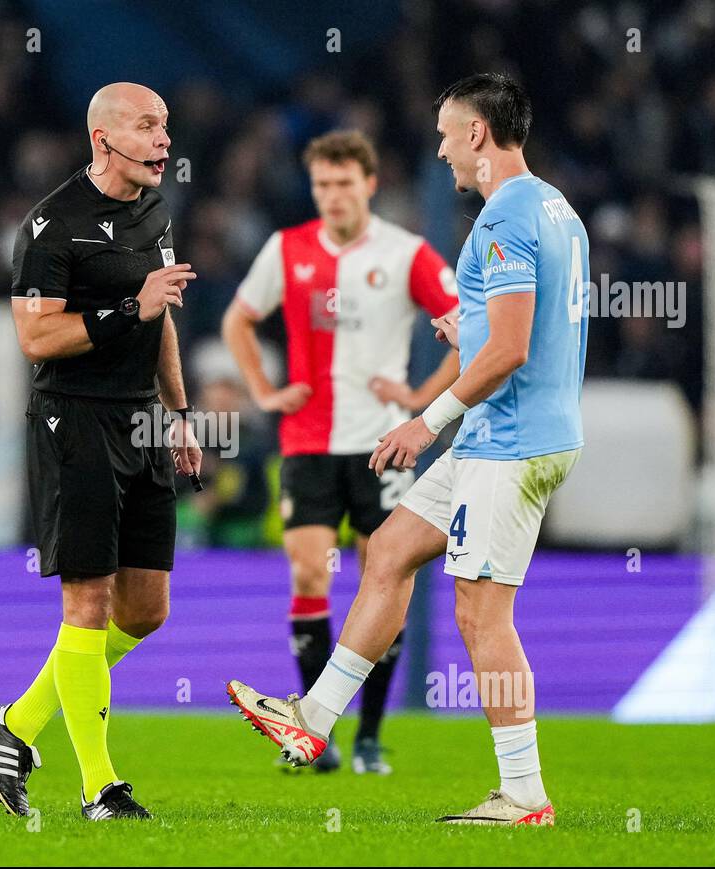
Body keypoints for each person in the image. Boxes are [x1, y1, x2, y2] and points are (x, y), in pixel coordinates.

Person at [228, 73, 589, 826]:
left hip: (511, 443)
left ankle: (524, 794)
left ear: (478, 135)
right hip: (503, 433)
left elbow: (514, 348)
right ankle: (313, 719)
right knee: (388, 550)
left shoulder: (503, 219)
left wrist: (428, 419)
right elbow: (521, 330)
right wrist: (468, 348)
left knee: (482, 615)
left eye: (447, 132)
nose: (440, 147)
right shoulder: (557, 208)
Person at [0, 82, 201, 821]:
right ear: (103, 138)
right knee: (89, 603)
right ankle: (100, 788)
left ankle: (15, 724)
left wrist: (180, 413)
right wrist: (128, 308)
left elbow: (160, 317)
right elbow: (36, 338)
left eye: (166, 126)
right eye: (148, 126)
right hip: (75, 420)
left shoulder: (155, 211)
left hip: (140, 421)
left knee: (146, 609)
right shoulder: (51, 225)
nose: (165, 140)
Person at [220, 130, 460, 774]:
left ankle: (371, 735)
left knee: (384, 580)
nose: (331, 196)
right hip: (306, 441)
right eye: (321, 184)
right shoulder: (287, 248)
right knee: (308, 575)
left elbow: (473, 333)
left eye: (343, 183)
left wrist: (419, 399)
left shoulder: (406, 253)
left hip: (382, 444)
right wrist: (265, 391)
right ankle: (314, 733)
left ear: (369, 185)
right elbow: (238, 320)